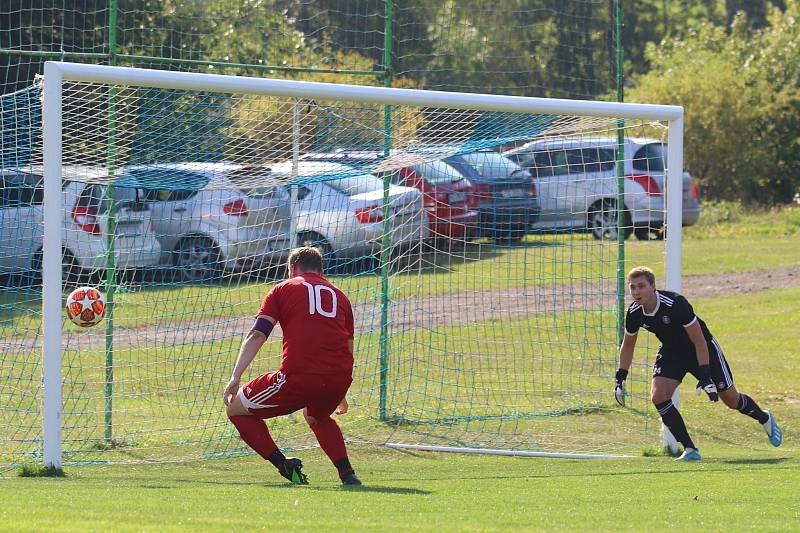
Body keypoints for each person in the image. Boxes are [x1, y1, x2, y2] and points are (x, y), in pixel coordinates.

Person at [223, 246, 361, 485]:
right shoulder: (340, 296)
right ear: (321, 269)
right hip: (338, 377)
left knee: (235, 408)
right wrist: (340, 390)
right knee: (317, 416)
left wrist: (236, 377)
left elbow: (258, 334)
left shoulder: (283, 288)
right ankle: (348, 474)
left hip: (299, 376)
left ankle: (283, 464)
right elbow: (347, 346)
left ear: (292, 268)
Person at [614, 266, 782, 461]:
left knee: (731, 399)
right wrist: (621, 377)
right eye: (632, 287)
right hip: (672, 351)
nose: (636, 292)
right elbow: (628, 345)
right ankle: (690, 450)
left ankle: (764, 418)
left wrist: (705, 375)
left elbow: (699, 340)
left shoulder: (676, 303)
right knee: (658, 395)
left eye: (641, 286)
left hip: (702, 348)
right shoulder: (634, 312)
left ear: (653, 286)